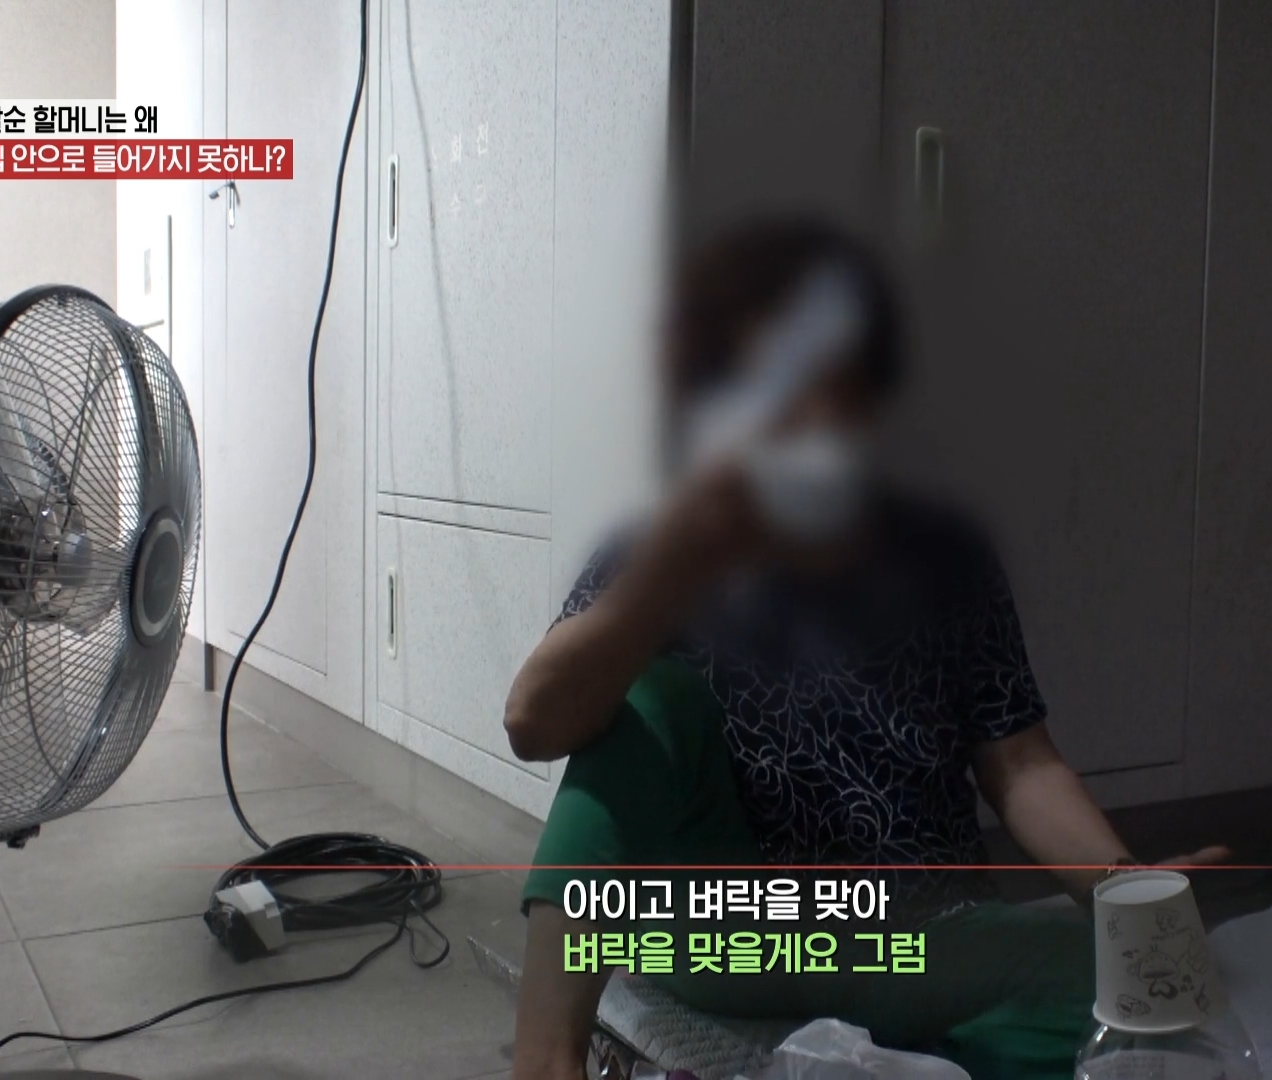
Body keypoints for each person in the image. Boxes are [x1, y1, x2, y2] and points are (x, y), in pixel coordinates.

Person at [504, 217, 1226, 1080]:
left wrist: (1122, 893)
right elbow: (536, 722)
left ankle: (919, 1050)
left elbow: (1021, 762)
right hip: (734, 937)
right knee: (647, 703)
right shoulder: (667, 542)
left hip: (922, 932)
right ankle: (545, 1062)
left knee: (1129, 978)